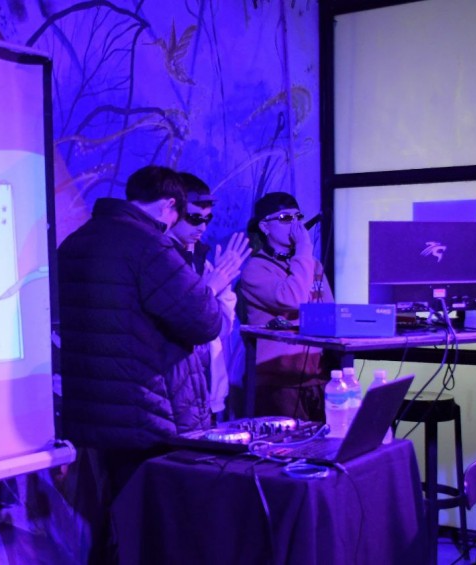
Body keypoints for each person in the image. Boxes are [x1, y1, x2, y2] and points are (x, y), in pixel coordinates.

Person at [58, 165, 249, 564]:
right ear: (169, 205)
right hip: (148, 412)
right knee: (155, 527)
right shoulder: (151, 246)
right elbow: (205, 322)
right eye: (184, 214)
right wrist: (213, 287)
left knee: (108, 520)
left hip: (93, 410)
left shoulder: (76, 242)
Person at [237, 192, 334, 421]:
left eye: (298, 217)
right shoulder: (256, 269)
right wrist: (304, 249)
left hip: (316, 378)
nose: (295, 225)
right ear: (265, 226)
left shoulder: (311, 265)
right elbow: (293, 299)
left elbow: (329, 311)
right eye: (285, 218)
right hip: (278, 383)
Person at [168, 173, 238, 422]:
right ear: (172, 211)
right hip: (174, 391)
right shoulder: (160, 260)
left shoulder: (203, 262)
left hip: (207, 388)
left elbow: (222, 329)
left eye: (207, 219)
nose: (202, 227)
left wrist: (223, 286)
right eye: (194, 218)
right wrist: (210, 289)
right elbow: (180, 322)